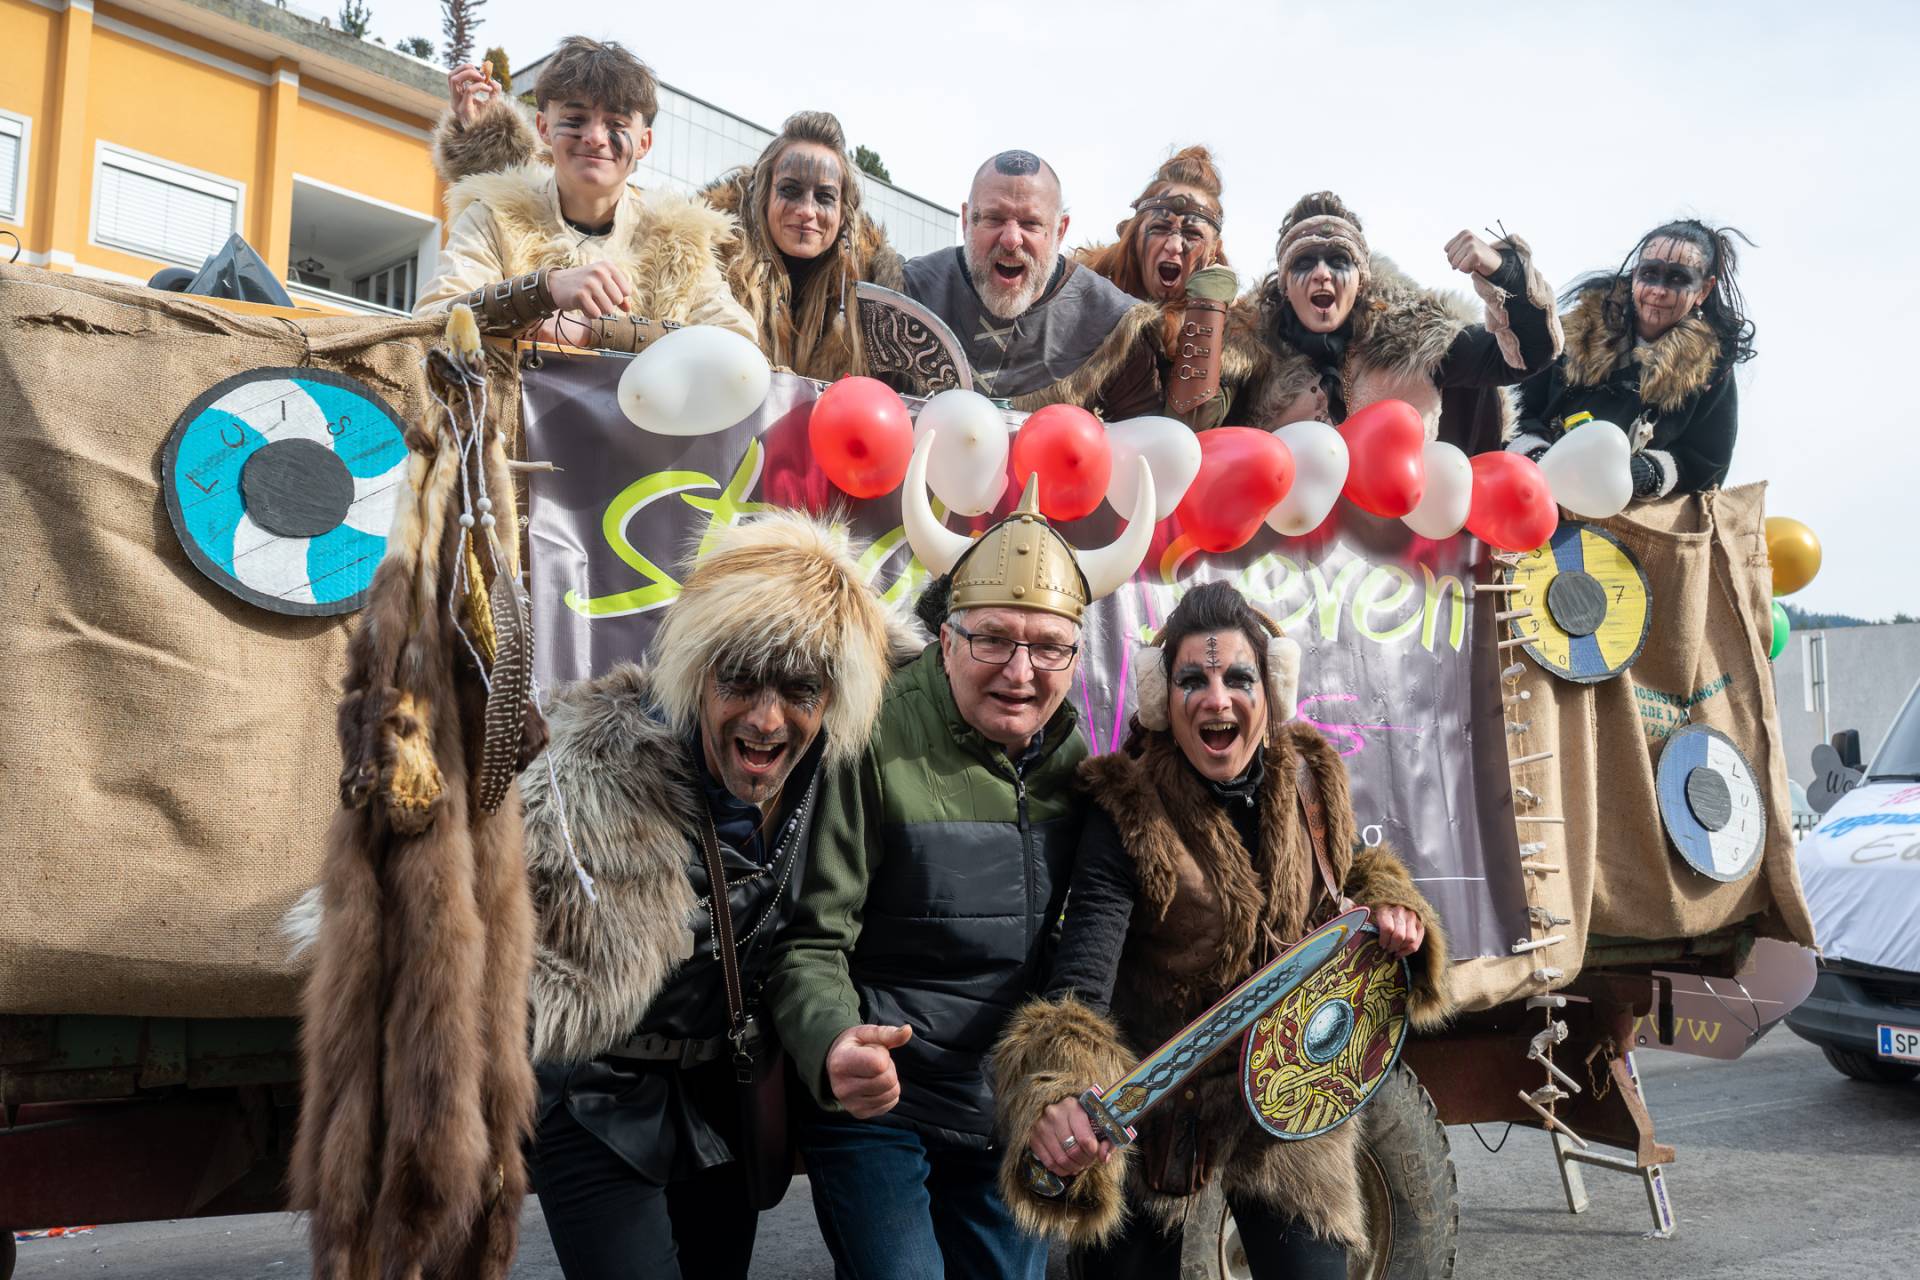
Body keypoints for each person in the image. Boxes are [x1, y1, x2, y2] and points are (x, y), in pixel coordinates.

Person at [989, 581, 1453, 1277]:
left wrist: (1392, 909)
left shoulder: (1311, 779)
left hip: (1287, 1095)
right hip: (1155, 1109)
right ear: (1161, 699)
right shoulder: (1127, 808)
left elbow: (1348, 878)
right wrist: (1063, 1095)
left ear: (1271, 689)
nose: (1216, 699)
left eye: (1238, 678)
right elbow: (1082, 981)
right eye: (1192, 681)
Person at [763, 466, 1158, 1279]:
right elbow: (808, 941)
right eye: (993, 640)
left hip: (1002, 1105)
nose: (1021, 670)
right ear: (947, 640)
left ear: (1075, 655)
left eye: (1048, 646)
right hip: (883, 1102)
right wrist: (835, 1042)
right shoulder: (871, 738)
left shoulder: (1074, 763)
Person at [514, 512, 912, 1280]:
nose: (765, 719)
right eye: (739, 680)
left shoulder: (829, 777)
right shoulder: (590, 772)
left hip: (724, 1098)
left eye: (799, 689)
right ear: (697, 671)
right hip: (596, 1098)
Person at [430, 74, 907, 381]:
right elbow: (560, 201)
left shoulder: (875, 294)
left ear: (845, 210)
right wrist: (551, 294)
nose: (806, 210)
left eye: (824, 197)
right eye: (790, 190)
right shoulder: (709, 244)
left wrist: (595, 331)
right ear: (763, 194)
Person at [415, 37, 752, 348]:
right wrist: (543, 290)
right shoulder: (493, 215)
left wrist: (595, 332)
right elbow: (432, 323)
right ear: (544, 127)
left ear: (644, 143)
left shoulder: (681, 240)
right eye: (576, 119)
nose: (594, 137)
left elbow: (737, 343)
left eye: (616, 124)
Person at [1240, 191, 1561, 453]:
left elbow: (1531, 352)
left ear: (1361, 282)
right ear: (1285, 286)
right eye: (1304, 262)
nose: (1322, 273)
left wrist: (1504, 271)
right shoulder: (1252, 368)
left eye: (1338, 261)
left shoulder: (1418, 340)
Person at [1507, 219, 1756, 498]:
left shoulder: (1713, 369)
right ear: (1635, 274)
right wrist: (1540, 459)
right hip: (1535, 492)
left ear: (1704, 290)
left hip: (1629, 514)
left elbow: (1706, 462)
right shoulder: (1570, 334)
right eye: (1650, 274)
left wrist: (1646, 474)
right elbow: (1516, 410)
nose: (1658, 290)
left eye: (1678, 278)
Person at [902, 149, 1162, 416]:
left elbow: (1139, 435)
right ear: (967, 221)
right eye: (994, 218)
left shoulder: (1115, 327)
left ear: (1059, 231)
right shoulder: (907, 293)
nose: (1011, 240)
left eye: (1031, 223)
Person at [1074, 145, 1259, 428]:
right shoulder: (1082, 297)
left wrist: (1207, 308)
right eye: (1160, 229)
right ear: (1134, 235)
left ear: (1214, 251)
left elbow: (1187, 427)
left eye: (1192, 234)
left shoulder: (1233, 332)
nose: (1174, 246)